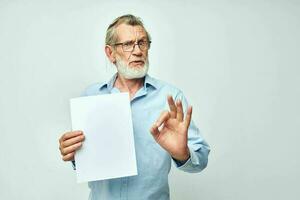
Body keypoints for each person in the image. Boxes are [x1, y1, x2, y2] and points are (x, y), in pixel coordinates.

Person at [59, 14, 210, 200]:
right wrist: (75, 154)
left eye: (142, 43)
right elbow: (85, 159)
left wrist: (183, 154)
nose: (137, 51)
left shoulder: (170, 97)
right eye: (128, 44)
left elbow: (200, 160)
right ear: (110, 53)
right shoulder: (91, 96)